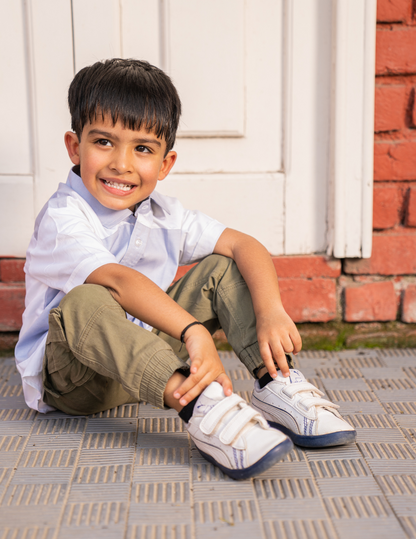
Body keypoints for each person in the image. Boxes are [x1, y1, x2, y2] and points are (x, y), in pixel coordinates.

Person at [15, 59, 356, 480]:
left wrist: (269, 311)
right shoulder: (62, 218)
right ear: (74, 147)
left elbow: (245, 245)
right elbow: (120, 282)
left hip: (145, 366)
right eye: (103, 142)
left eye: (142, 149)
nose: (121, 163)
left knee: (222, 266)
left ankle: (276, 383)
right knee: (86, 299)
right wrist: (193, 332)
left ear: (165, 164)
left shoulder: (164, 213)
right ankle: (202, 407)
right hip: (75, 381)